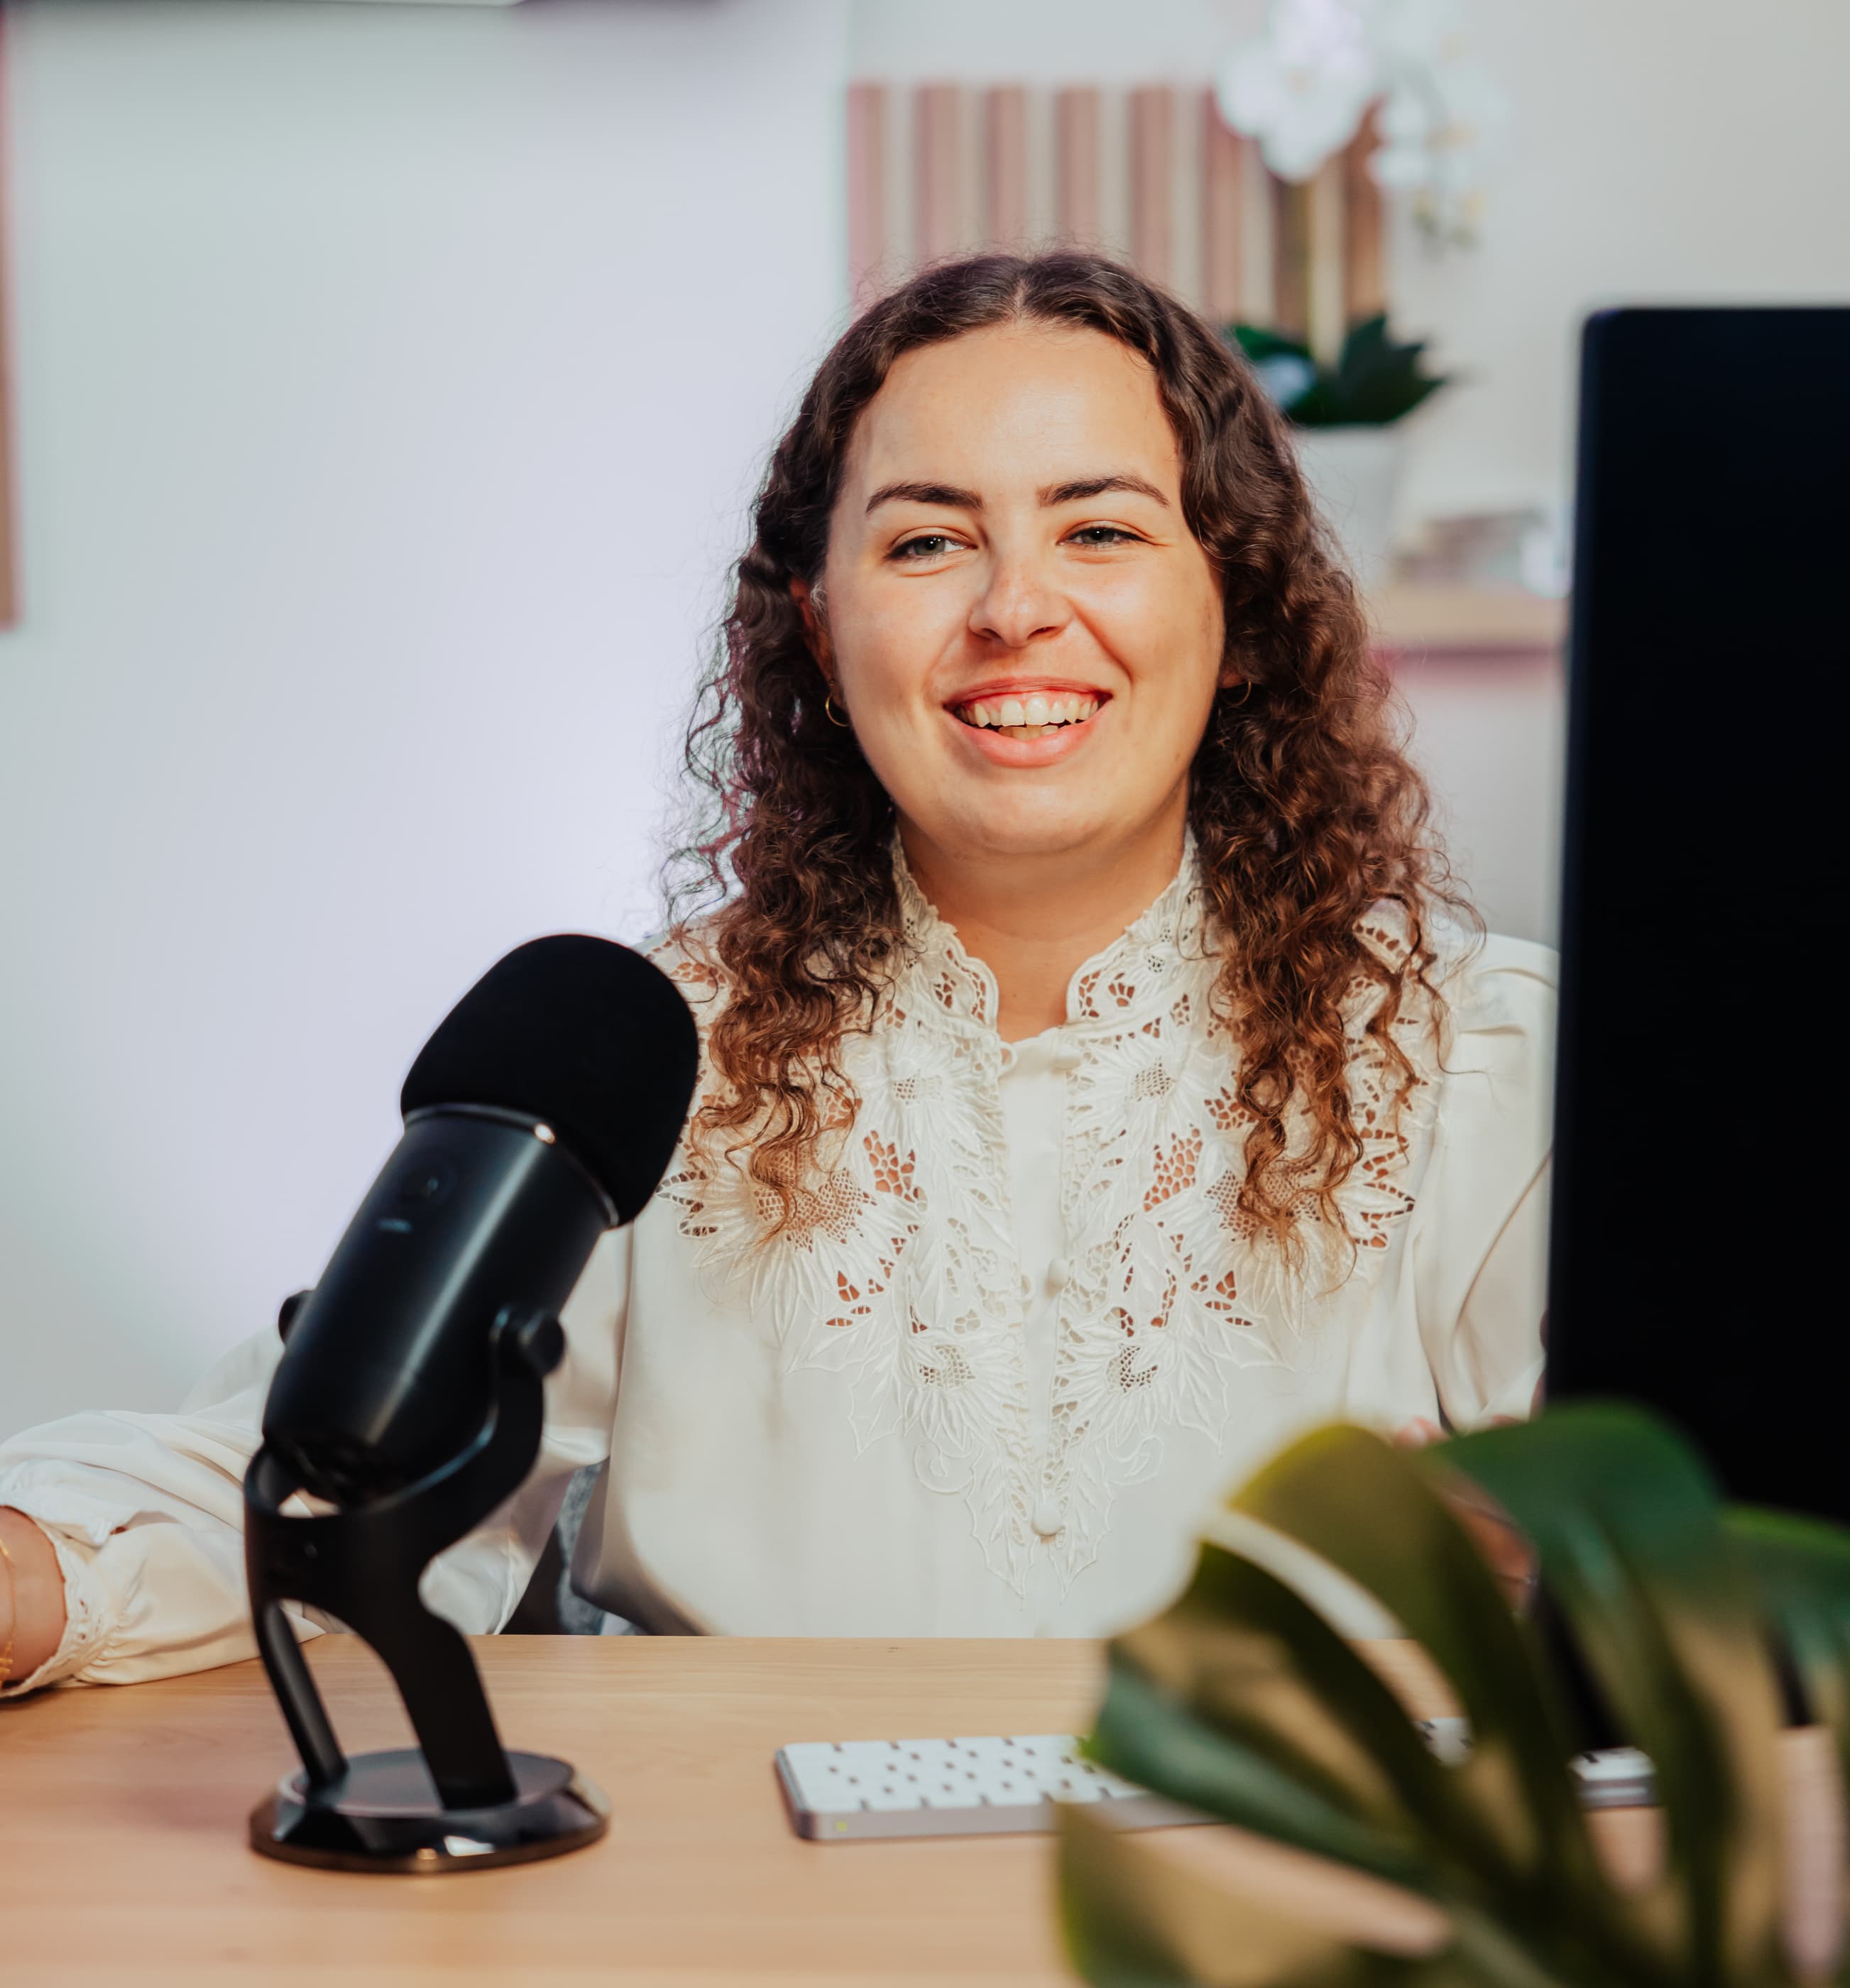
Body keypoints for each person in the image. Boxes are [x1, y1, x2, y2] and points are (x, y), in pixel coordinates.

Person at [0, 252, 1550, 1695]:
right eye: (929, 539)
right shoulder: (643, 1061)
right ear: (817, 621)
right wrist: (38, 1569)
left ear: (1235, 608)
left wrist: (1568, 1567)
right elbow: (313, 1478)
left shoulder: (1487, 1058)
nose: (1015, 609)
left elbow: (1706, 1549)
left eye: (1102, 528)